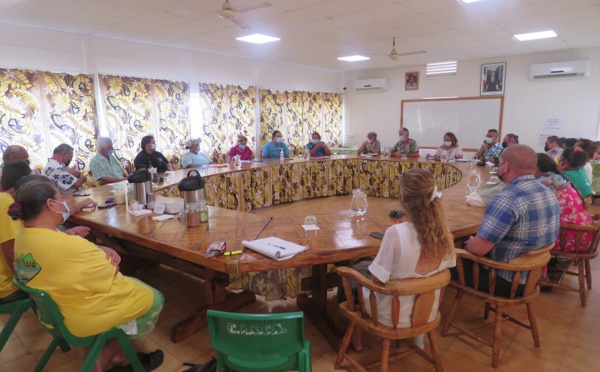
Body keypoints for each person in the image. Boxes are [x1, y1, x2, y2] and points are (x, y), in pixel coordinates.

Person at [9, 179, 164, 371]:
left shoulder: (23, 237)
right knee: (154, 299)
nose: (64, 202)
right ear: (50, 204)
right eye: (60, 198)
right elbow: (112, 269)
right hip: (77, 316)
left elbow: (58, 251)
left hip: (52, 314)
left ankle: (119, 355)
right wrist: (100, 251)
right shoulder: (67, 245)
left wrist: (95, 248)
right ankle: (104, 357)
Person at [349, 169, 456, 351]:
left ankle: (356, 338)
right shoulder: (443, 231)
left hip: (391, 314)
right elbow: (448, 264)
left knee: (354, 271)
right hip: (427, 311)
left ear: (402, 197)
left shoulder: (396, 232)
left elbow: (377, 280)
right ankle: (418, 336)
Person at [462, 145, 560, 297]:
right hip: (533, 276)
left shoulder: (506, 198)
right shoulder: (547, 191)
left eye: (499, 163)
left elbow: (477, 250)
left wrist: (470, 243)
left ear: (505, 167)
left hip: (505, 280)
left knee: (448, 262)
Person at [1, 164, 92, 305]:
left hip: (23, 276)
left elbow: (29, 246)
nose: (62, 197)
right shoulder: (4, 203)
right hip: (9, 285)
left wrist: (64, 235)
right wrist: (28, 290)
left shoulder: (12, 204)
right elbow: (12, 254)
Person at [536, 154, 596, 253]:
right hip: (583, 235)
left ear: (536, 168)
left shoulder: (544, 181)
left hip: (570, 239)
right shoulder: (557, 177)